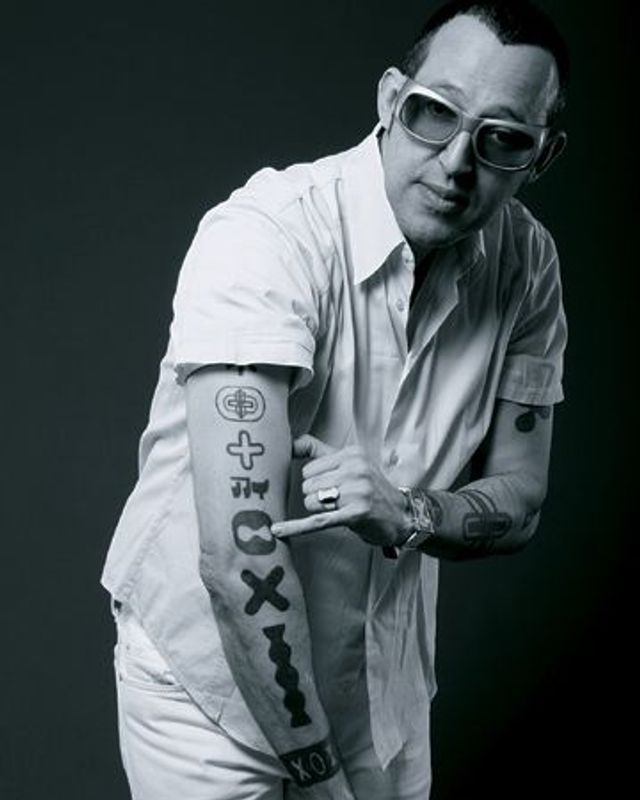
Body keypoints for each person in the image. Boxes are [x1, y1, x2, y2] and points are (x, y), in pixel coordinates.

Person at [101, 1, 569, 797]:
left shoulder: (526, 265)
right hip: (204, 689)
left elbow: (522, 499)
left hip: (381, 679)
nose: (458, 162)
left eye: (502, 139)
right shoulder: (266, 237)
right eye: (435, 113)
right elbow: (239, 556)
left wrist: (410, 511)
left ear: (542, 155)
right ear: (391, 99)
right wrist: (320, 784)